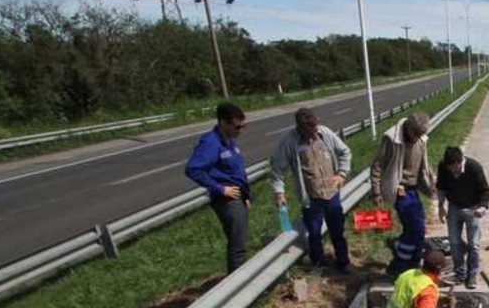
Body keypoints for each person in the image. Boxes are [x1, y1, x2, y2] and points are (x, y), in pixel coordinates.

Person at [270, 108, 353, 272]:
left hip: (332, 193)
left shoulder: (325, 133)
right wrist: (279, 192)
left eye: (316, 128)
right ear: (301, 128)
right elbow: (277, 169)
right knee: (314, 233)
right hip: (311, 198)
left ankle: (343, 262)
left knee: (337, 230)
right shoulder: (289, 142)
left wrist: (342, 174)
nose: (315, 132)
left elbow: (345, 151)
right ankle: (319, 264)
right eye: (311, 130)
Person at [185, 102, 250, 273]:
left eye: (243, 126)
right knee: (238, 246)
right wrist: (220, 189)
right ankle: (237, 286)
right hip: (226, 199)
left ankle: (242, 280)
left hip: (238, 196)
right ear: (223, 122)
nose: (240, 130)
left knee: (241, 241)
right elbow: (193, 169)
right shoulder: (210, 142)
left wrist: (246, 195)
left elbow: (235, 169)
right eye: (237, 127)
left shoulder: (229, 140)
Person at [371, 112, 436, 276]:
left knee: (417, 230)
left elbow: (423, 164)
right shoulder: (392, 139)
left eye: (421, 135)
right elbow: (377, 166)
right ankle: (399, 263)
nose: (417, 138)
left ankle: (411, 262)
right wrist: (377, 192)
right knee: (416, 228)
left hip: (414, 189)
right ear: (408, 127)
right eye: (416, 134)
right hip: (400, 190)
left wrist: (431, 180)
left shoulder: (421, 140)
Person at [436, 146, 489, 289]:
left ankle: (472, 275)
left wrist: (483, 207)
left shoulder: (474, 167)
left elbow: (485, 190)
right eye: (450, 169)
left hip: (473, 208)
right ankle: (460, 273)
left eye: (456, 168)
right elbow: (441, 187)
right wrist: (441, 206)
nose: (453, 172)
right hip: (454, 207)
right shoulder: (443, 167)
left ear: (461, 162)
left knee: (474, 244)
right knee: (454, 242)